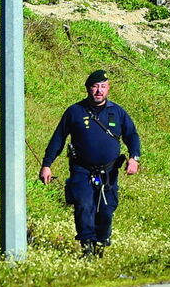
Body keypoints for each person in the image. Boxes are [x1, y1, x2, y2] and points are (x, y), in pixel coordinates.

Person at [39, 69, 141, 257]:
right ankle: (86, 247)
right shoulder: (74, 112)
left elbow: (132, 135)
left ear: (108, 88)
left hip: (109, 172)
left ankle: (101, 243)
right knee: (84, 205)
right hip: (81, 170)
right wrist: (47, 164)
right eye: (95, 87)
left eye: (103, 87)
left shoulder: (117, 112)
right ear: (88, 88)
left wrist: (134, 158)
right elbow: (58, 139)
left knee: (106, 209)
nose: (99, 91)